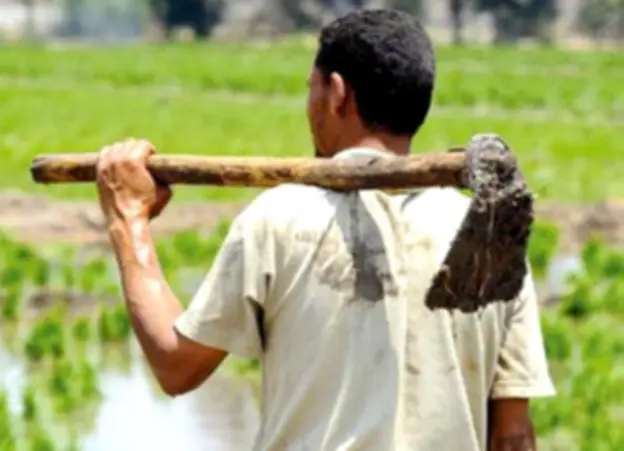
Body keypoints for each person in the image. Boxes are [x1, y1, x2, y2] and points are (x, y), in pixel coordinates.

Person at [94, 8, 555, 451]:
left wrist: (127, 220)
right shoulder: (488, 237)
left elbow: (177, 364)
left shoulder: (278, 220)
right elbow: (512, 436)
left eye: (310, 87)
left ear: (337, 93)